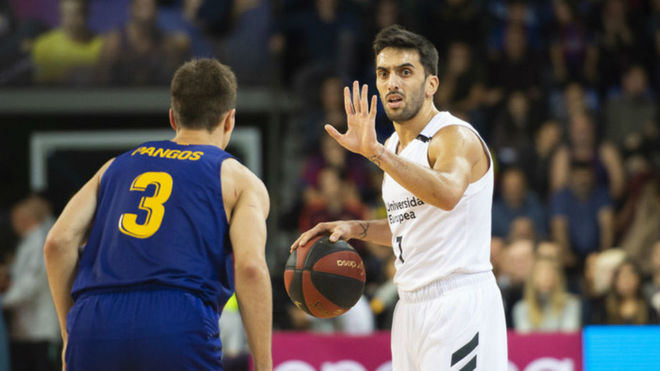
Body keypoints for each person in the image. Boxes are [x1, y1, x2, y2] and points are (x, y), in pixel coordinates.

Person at [292, 25, 508, 371]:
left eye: (405, 72)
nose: (392, 82)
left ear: (431, 84)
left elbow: (448, 194)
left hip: (459, 303)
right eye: (383, 73)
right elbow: (407, 226)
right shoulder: (394, 147)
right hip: (408, 307)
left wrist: (376, 154)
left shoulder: (454, 137)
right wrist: (354, 227)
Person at [44, 58, 272, 371]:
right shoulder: (238, 179)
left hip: (94, 321)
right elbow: (250, 269)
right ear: (229, 120)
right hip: (176, 319)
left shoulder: (114, 167)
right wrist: (264, 365)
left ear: (172, 117)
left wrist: (70, 332)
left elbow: (57, 243)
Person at [3, 196, 59, 371]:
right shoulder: (30, 242)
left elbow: (30, 285)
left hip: (39, 329)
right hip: (27, 328)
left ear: (25, 218)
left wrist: (4, 300)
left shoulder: (40, 241)